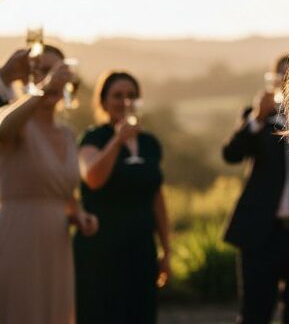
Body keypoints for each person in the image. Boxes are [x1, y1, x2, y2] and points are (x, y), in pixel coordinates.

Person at [0, 45, 99, 324]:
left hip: (57, 244)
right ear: (31, 77)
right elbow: (2, 130)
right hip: (18, 235)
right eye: (44, 71)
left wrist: (78, 215)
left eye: (59, 72)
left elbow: (65, 193)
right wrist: (43, 88)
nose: (54, 78)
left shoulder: (67, 133)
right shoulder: (15, 122)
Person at [222, 53, 289, 324]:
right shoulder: (259, 120)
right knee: (255, 312)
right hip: (262, 233)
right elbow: (231, 154)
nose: (287, 83)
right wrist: (256, 117)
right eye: (282, 77)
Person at [75, 71, 170, 324]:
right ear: (103, 101)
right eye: (117, 95)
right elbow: (93, 179)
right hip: (99, 251)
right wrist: (118, 140)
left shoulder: (150, 143)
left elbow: (156, 197)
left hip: (140, 249)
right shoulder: (93, 139)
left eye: (131, 95)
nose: (125, 101)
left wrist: (166, 249)